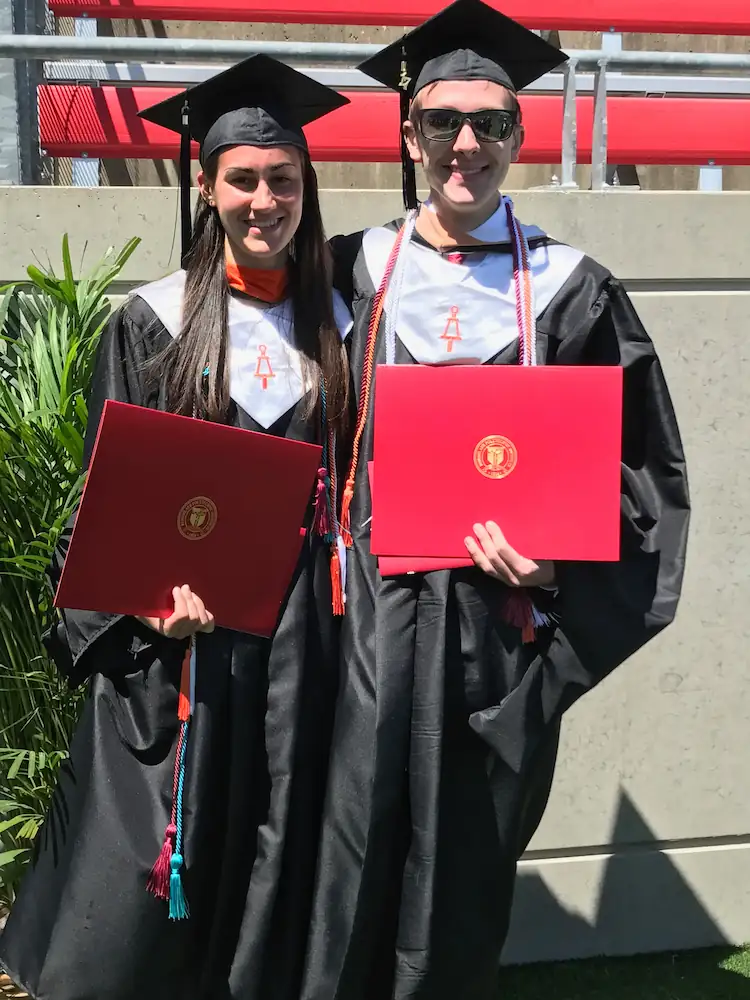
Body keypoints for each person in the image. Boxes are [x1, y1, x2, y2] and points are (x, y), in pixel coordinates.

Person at [316, 0, 691, 995]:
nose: (467, 144)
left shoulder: (574, 290)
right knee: (340, 856)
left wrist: (564, 561)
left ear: (520, 136)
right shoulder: (348, 273)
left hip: (494, 635)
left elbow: (642, 480)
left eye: (492, 123)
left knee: (461, 874)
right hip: (358, 630)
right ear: (409, 132)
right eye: (444, 121)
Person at [0, 55, 354, 1000]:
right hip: (182, 653)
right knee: (147, 882)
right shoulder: (152, 324)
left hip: (301, 653)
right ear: (207, 187)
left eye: (283, 179)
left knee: (278, 852)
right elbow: (109, 500)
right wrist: (148, 608)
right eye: (243, 179)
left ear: (305, 186)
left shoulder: (344, 327)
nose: (264, 199)